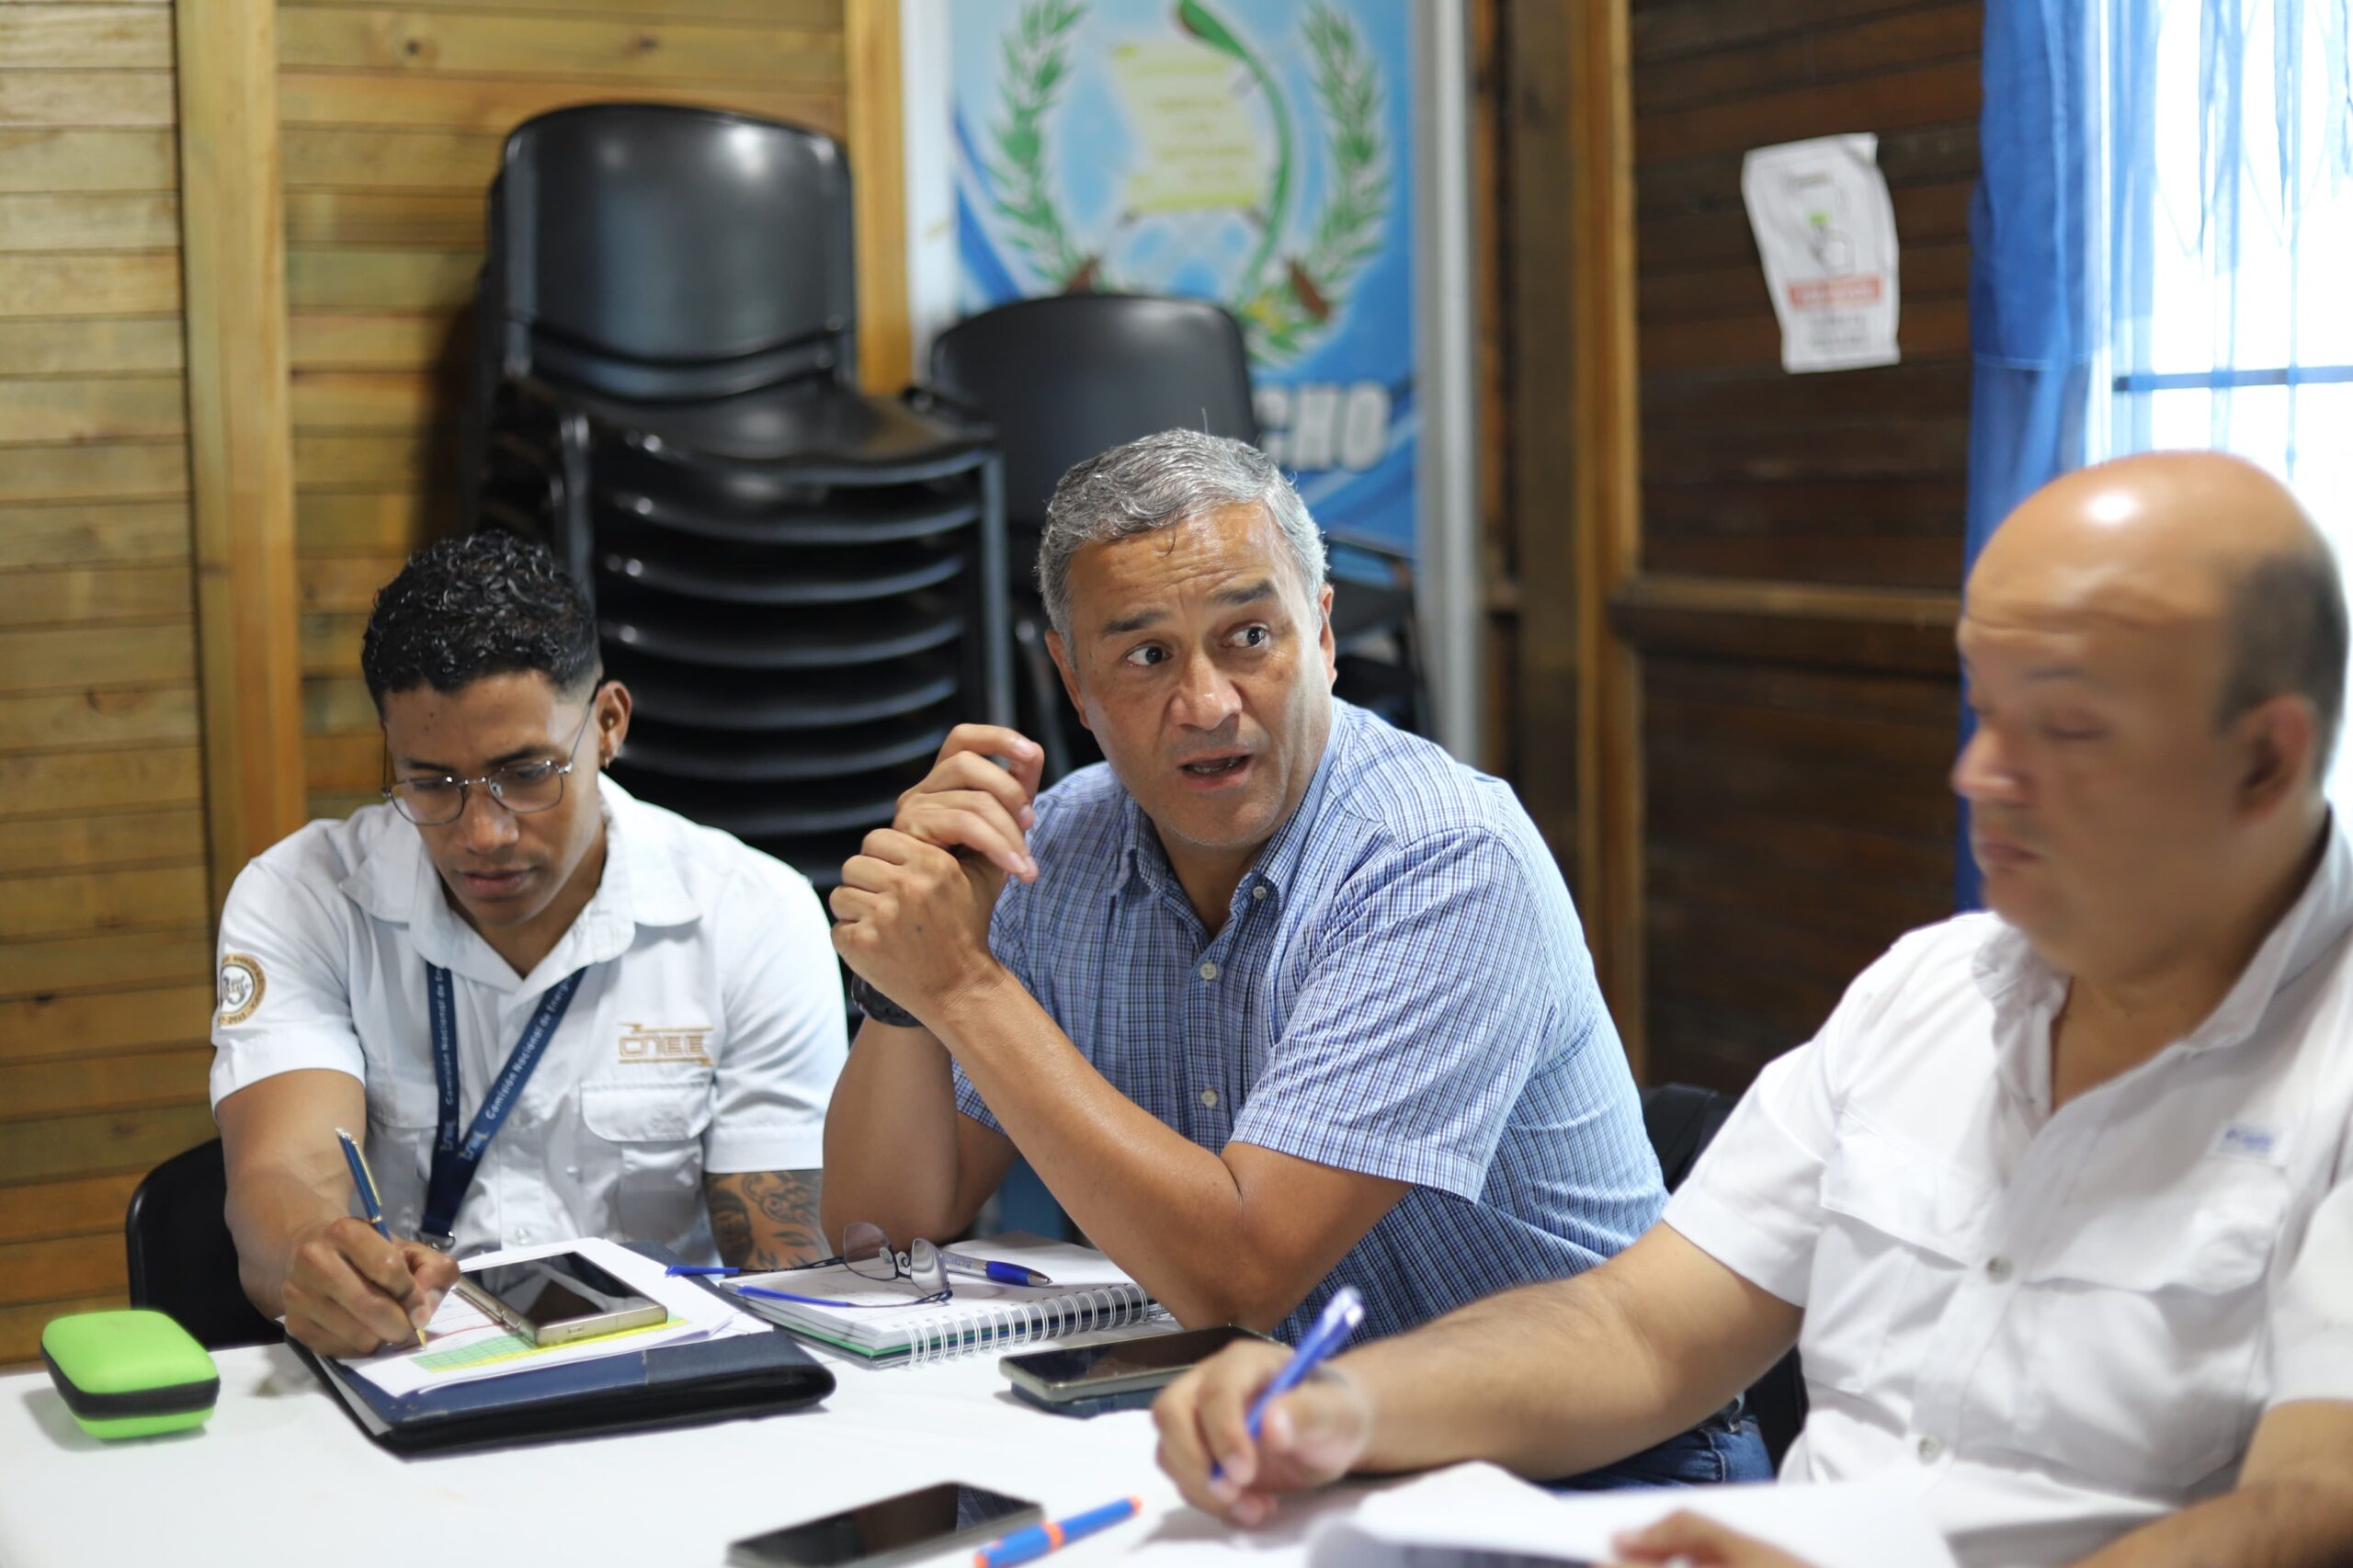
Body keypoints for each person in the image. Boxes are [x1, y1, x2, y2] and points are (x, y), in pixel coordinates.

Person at [1153, 450, 2353, 1568]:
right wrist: (1347, 1405)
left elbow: (2316, 1502)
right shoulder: (1931, 990)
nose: (1978, 774)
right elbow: (1643, 1329)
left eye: (2067, 729)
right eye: (1983, 710)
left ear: (2264, 759)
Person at [821, 429, 1764, 1486]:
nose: (1206, 704)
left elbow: (1239, 1275)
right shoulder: (1052, 850)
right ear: (1074, 683)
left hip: (1589, 1469)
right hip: (1276, 1456)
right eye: (1145, 656)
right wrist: (909, 972)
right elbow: (884, 1230)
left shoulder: (1440, 856)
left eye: (1249, 636)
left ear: (1320, 632)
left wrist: (963, 982)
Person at [210, 531, 847, 1357]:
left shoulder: (751, 914)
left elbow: (785, 1271)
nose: (483, 832)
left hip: (662, 1375)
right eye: (431, 783)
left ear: (608, 724)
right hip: (408, 1367)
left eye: (526, 773)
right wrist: (313, 1256)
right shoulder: (303, 897)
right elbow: (279, 1177)